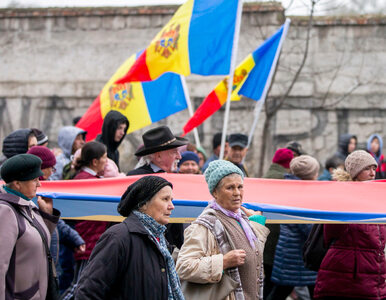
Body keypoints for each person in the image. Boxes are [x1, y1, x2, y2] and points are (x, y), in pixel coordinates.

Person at [75, 176, 184, 300]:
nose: (172, 206)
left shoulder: (160, 240)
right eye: (165, 199)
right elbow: (88, 291)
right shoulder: (118, 237)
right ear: (143, 203)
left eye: (171, 200)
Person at [176, 160, 269, 300]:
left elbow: (254, 253)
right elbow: (183, 267)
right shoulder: (204, 225)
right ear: (215, 192)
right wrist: (223, 262)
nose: (237, 193)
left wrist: (257, 222)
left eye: (240, 187)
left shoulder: (242, 218)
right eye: (230, 188)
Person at [314, 150, 386, 300]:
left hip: (373, 272)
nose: (373, 173)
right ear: (355, 172)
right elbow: (332, 231)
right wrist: (347, 198)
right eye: (367, 169)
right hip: (347, 274)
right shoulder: (342, 197)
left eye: (374, 168)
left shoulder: (376, 198)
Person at [0, 154, 60, 299]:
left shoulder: (28, 205)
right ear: (17, 184)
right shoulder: (5, 211)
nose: (39, 184)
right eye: (34, 180)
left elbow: (38, 242)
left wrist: (47, 215)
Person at [267, 155, 320, 300]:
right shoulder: (303, 194)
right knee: (315, 292)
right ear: (310, 176)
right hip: (297, 254)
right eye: (316, 172)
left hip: (288, 251)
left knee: (280, 291)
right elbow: (308, 227)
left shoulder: (291, 189)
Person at [262, 148, 293, 299]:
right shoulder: (285, 181)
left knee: (267, 282)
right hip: (277, 241)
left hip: (263, 237)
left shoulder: (266, 177)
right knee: (274, 286)